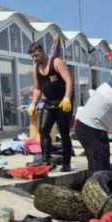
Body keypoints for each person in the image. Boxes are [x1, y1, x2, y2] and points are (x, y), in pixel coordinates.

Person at [28, 42, 74, 172]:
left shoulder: (57, 62)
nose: (35, 59)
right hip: (49, 103)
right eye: (33, 57)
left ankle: (66, 163)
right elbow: (37, 88)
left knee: (64, 133)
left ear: (42, 51)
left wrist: (67, 98)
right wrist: (33, 104)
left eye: (36, 55)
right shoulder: (35, 69)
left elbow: (69, 81)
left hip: (63, 102)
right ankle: (45, 160)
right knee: (43, 130)